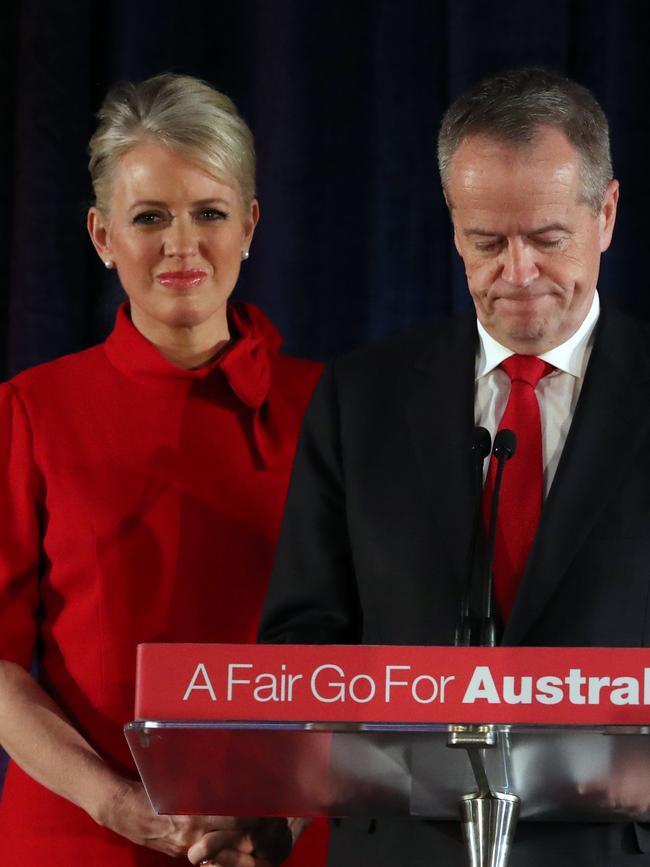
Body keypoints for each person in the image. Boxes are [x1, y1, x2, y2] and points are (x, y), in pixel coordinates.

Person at [255, 67, 650, 866]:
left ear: (605, 215)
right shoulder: (359, 399)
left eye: (546, 238)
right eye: (486, 241)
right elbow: (303, 638)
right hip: (403, 846)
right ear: (451, 225)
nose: (517, 273)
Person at [0, 73, 327, 867]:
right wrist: (119, 804)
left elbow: (372, 649)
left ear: (249, 226)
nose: (182, 243)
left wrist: (278, 815)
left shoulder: (330, 407)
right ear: (103, 236)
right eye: (150, 217)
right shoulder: (32, 407)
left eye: (209, 213)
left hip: (284, 841)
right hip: (82, 836)